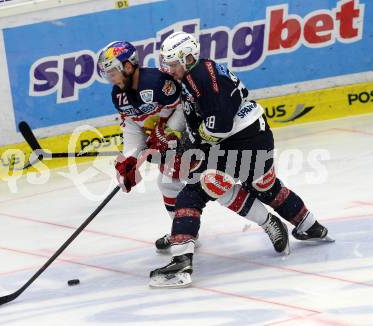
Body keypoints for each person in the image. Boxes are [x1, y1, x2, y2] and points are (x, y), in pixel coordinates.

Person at [150, 32, 334, 288]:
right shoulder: (197, 72)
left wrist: (189, 143)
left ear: (187, 57)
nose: (169, 69)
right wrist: (176, 136)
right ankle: (309, 225)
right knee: (265, 187)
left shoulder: (200, 77)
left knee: (192, 192)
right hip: (255, 135)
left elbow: (219, 126)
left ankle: (181, 260)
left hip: (239, 142)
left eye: (172, 63)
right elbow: (197, 115)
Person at [97, 41, 290, 257]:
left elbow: (184, 106)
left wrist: (169, 131)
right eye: (108, 73)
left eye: (113, 71)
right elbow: (133, 126)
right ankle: (183, 233)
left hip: (193, 140)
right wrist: (131, 159)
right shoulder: (119, 96)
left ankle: (268, 222)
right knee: (169, 185)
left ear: (129, 66)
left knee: (215, 186)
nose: (110, 77)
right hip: (172, 146)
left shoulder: (157, 82)